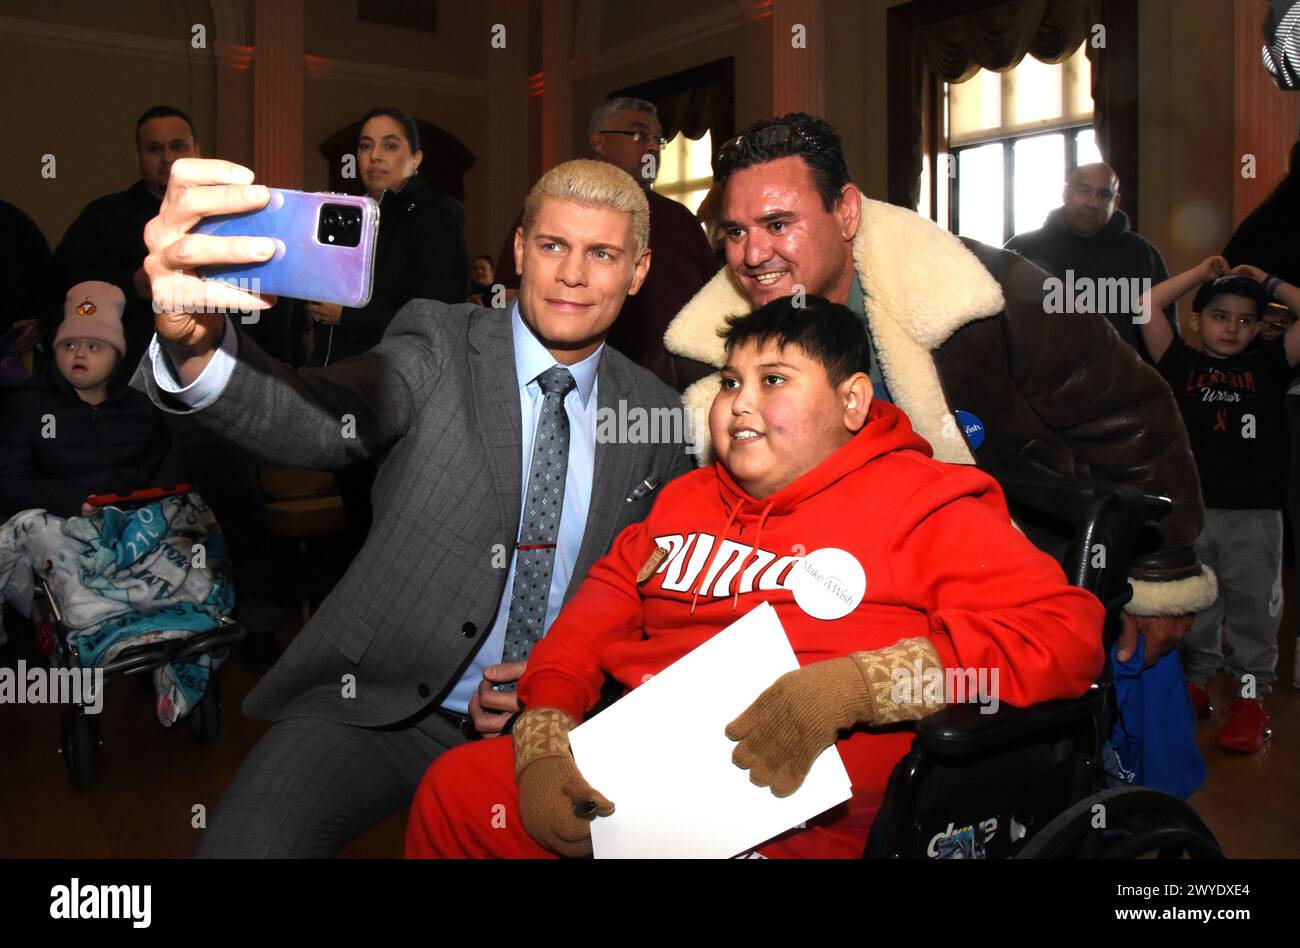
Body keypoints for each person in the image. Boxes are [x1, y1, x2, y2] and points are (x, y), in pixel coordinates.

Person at [405, 296, 1105, 858]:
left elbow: (1065, 636)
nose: (739, 402)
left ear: (853, 401)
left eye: (773, 380)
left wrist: (855, 687)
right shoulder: (685, 499)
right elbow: (600, 608)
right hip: (650, 769)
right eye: (730, 382)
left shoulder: (927, 500)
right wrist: (546, 727)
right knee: (458, 791)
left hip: (815, 813)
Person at [131, 156, 692, 857]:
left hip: (554, 731)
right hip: (374, 709)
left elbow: (649, 594)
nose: (572, 275)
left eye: (602, 254)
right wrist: (198, 353)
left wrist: (565, 678)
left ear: (637, 272)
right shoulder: (438, 343)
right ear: (520, 249)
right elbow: (319, 419)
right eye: (552, 245)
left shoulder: (657, 416)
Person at [662, 113, 1215, 670]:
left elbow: (1129, 412)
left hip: (1021, 589)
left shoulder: (989, 294)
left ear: (846, 211)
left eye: (778, 224)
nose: (753, 256)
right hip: (830, 606)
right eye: (735, 232)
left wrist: (1162, 569)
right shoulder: (704, 351)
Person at [1137, 258, 1300, 752]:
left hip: (1256, 517)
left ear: (1259, 327)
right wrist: (1200, 275)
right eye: (1219, 315)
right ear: (1196, 320)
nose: (1232, 328)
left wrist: (1267, 281)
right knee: (1198, 608)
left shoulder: (1269, 364)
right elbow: (1145, 305)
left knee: (1254, 612)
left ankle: (1251, 696)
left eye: (1246, 319)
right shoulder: (1181, 360)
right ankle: (1199, 682)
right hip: (1194, 513)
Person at [491, 98, 718, 380]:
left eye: (657, 139)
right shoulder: (552, 206)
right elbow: (509, 296)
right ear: (599, 142)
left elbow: (716, 297)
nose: (651, 147)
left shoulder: (679, 218)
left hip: (677, 387)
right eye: (638, 135)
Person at [0, 282, 179, 521]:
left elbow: (159, 466)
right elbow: (9, 481)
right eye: (69, 345)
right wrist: (71, 501)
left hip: (131, 521)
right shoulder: (30, 403)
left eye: (94, 347)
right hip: (50, 522)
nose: (79, 354)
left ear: (117, 356)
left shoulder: (141, 406)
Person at [303, 107, 467, 366]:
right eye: (366, 146)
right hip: (332, 375)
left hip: (394, 380)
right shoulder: (351, 214)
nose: (375, 156)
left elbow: (439, 313)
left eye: (389, 146)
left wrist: (349, 316)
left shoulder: (435, 215)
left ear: (415, 159)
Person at [51, 106, 200, 368]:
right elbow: (61, 283)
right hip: (128, 373)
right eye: (154, 149)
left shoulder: (227, 216)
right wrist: (131, 286)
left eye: (178, 146)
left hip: (220, 364)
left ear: (196, 151)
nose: (167, 158)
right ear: (138, 157)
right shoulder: (104, 216)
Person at [1004, 162, 1176, 363]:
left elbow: (1166, 342)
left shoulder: (1143, 255)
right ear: (1066, 193)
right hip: (1038, 387)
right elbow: (1000, 331)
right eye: (1084, 190)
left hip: (1125, 386)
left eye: (1103, 195)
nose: (1092, 203)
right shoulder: (1022, 250)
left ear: (1116, 202)